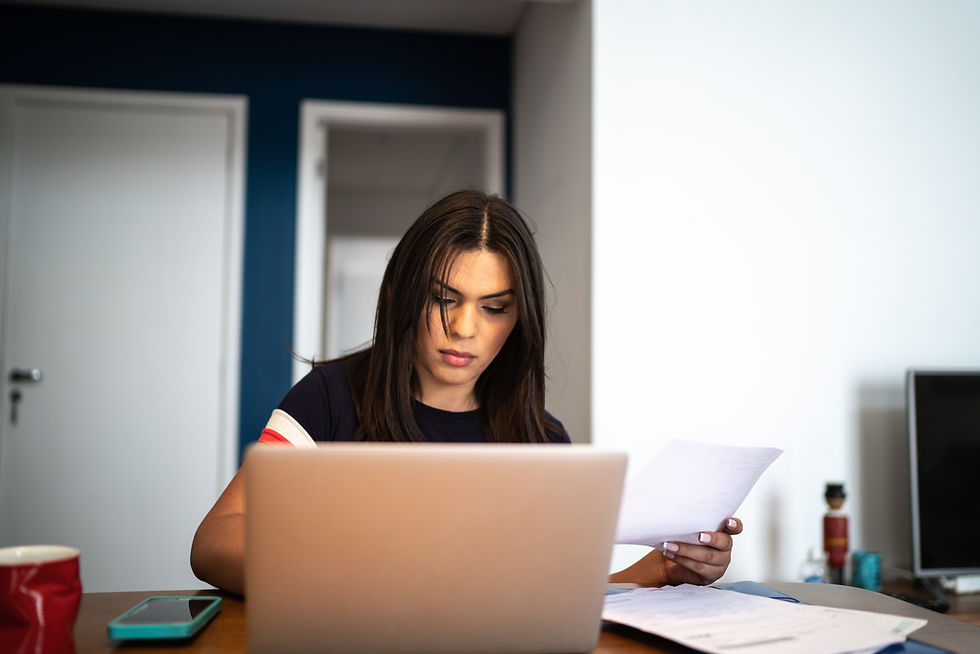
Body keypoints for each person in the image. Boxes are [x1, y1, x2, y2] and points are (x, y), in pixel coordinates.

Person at [190, 189, 742, 595]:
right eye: (443, 299)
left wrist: (662, 572)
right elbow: (215, 541)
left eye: (494, 308)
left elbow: (561, 597)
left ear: (519, 319)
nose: (465, 329)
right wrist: (367, 569)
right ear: (407, 296)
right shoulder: (329, 398)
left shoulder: (544, 441)